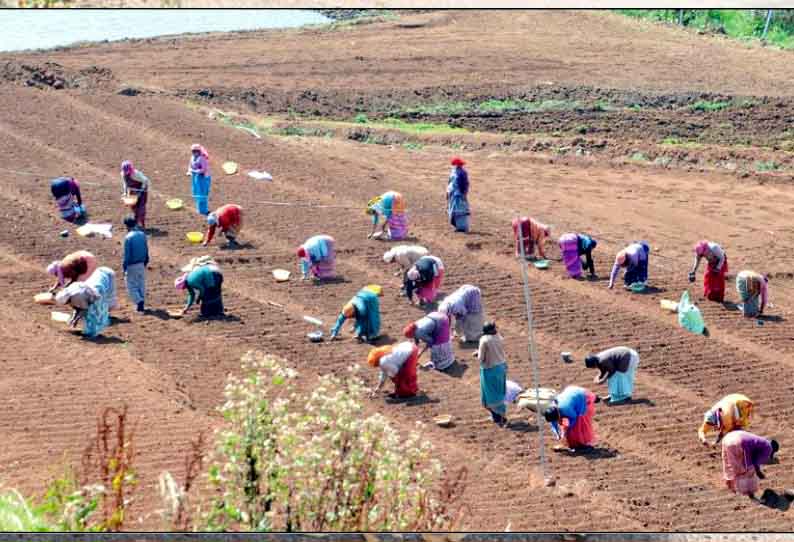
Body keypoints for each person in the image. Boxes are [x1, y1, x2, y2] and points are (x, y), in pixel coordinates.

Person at [54, 266, 118, 338]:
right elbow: (77, 308)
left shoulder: (77, 296)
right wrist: (74, 317)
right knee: (89, 313)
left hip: (98, 291)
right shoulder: (70, 291)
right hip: (96, 281)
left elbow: (84, 310)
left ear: (68, 299)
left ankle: (92, 333)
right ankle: (91, 330)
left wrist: (76, 319)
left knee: (92, 314)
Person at [721, 431, 779, 498]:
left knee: (728, 462)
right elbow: (755, 461)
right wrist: (758, 472)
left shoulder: (761, 441)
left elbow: (754, 456)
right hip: (738, 442)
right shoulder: (768, 448)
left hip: (728, 438)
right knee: (744, 470)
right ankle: (746, 492)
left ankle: (729, 483)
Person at [544, 385, 599, 451]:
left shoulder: (566, 409)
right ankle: (573, 443)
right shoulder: (551, 409)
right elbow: (553, 424)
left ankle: (581, 444)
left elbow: (574, 418)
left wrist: (568, 427)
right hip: (570, 392)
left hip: (580, 396)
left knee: (578, 425)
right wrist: (558, 435)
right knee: (568, 428)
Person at [475, 321, 508, 427]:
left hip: (490, 369)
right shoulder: (499, 337)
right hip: (501, 367)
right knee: (499, 392)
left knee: (491, 395)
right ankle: (499, 415)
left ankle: (498, 417)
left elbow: (481, 359)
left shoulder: (484, 340)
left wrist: (478, 355)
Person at [122, 215, 149, 313]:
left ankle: (139, 302)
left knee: (131, 285)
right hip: (141, 263)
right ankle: (141, 304)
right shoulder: (142, 234)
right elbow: (146, 249)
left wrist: (124, 267)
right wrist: (146, 261)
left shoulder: (128, 238)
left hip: (132, 265)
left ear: (127, 226)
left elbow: (127, 255)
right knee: (141, 283)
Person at [120, 160, 150, 229]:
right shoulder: (123, 174)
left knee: (141, 208)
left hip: (141, 190)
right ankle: (135, 223)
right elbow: (125, 183)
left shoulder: (136, 174)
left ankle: (142, 224)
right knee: (134, 207)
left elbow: (145, 181)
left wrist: (141, 191)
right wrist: (125, 192)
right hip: (132, 191)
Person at [447, 157, 470, 233]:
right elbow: (450, 183)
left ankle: (462, 227)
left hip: (458, 194)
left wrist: (463, 193)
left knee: (460, 210)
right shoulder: (454, 172)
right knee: (456, 210)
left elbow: (465, 184)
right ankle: (458, 226)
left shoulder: (461, 173)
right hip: (453, 193)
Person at [187, 144, 211, 215]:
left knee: (202, 194)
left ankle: (204, 210)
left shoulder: (202, 158)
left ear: (199, 151)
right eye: (193, 151)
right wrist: (189, 171)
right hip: (196, 177)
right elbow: (190, 165)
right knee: (197, 192)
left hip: (203, 178)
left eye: (196, 151)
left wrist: (194, 171)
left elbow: (203, 169)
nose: (194, 153)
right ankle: (200, 209)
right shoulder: (192, 157)